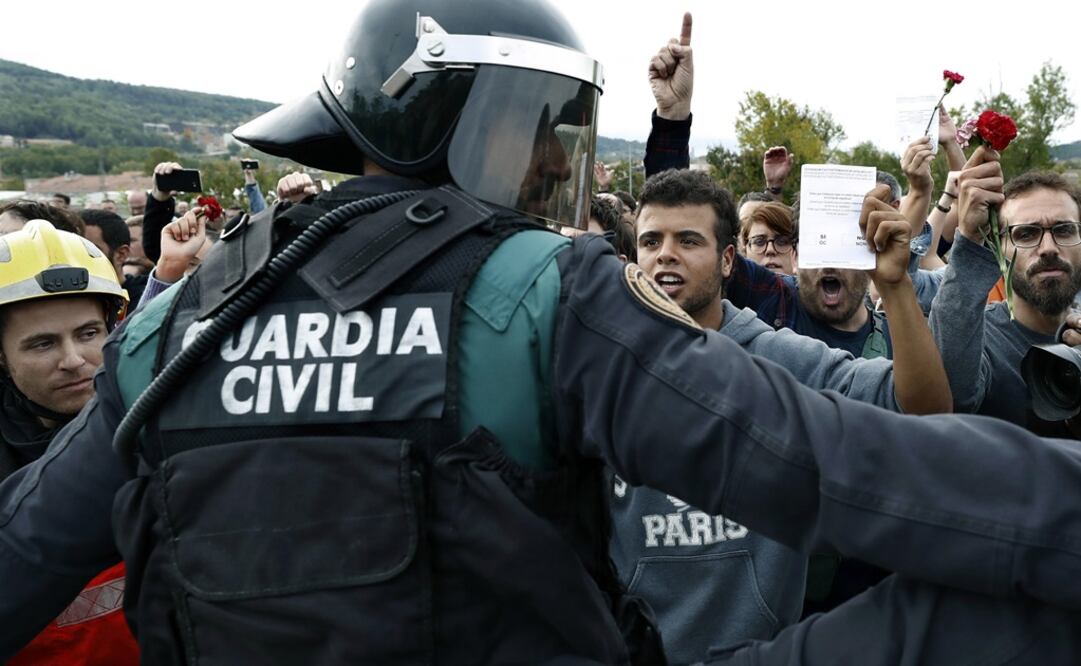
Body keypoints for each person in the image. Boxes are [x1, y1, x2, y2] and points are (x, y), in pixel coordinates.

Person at [4, 3, 1081, 664]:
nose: (550, 168)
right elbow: (836, 470)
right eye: (543, 133)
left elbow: (25, 551)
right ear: (484, 118)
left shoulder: (178, 322)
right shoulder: (528, 290)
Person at [618, 167, 950, 662]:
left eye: (688, 240)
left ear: (728, 260)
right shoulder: (601, 364)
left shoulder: (780, 360)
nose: (666, 253)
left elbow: (921, 409)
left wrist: (896, 285)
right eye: (651, 240)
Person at [0, 220, 137, 665]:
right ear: (1, 356)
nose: (74, 360)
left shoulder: (157, 429)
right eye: (43, 344)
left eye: (88, 333)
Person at [930, 160, 1081, 430]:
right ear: (998, 250)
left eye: (1064, 230)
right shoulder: (979, 340)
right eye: (1025, 234)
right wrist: (968, 240)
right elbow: (951, 400)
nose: (1048, 248)